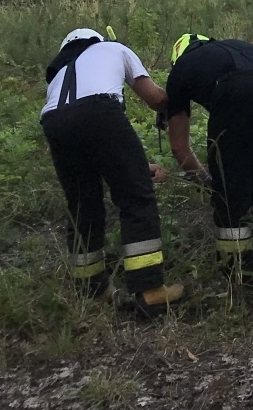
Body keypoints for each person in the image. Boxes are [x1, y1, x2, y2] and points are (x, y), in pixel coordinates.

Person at [40, 27, 184, 317]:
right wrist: (179, 98)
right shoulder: (114, 49)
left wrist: (136, 166)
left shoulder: (60, 71)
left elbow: (93, 146)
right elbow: (156, 98)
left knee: (82, 205)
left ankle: (92, 293)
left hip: (53, 121)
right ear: (97, 40)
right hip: (101, 111)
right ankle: (149, 289)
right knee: (135, 198)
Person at [163, 33, 253, 265]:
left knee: (230, 182)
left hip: (234, 89)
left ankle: (236, 265)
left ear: (178, 56)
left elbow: (179, 146)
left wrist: (206, 180)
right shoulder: (236, 47)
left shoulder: (181, 69)